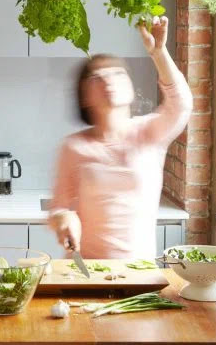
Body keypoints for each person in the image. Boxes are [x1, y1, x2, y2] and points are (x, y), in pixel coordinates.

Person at [48, 17, 193, 259]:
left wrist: (158, 52)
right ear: (83, 96)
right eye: (97, 77)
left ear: (130, 87)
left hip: (139, 275)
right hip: (86, 273)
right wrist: (64, 219)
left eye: (117, 73)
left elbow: (181, 103)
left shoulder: (149, 133)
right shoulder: (74, 147)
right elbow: (58, 207)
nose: (108, 80)